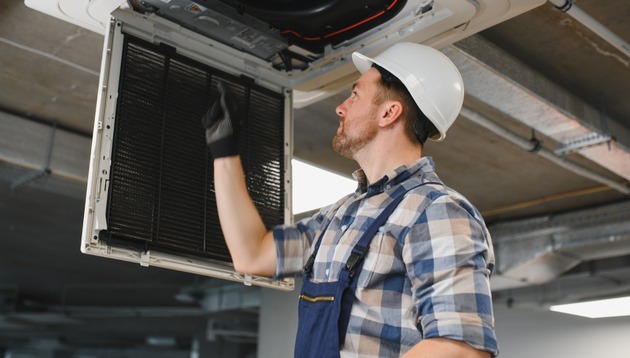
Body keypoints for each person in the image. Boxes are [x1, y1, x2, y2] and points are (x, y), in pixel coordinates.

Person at [202, 42, 498, 357]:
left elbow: (461, 348)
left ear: (389, 113)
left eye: (355, 94)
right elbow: (252, 255)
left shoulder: (436, 211)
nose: (341, 107)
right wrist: (224, 151)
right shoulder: (340, 216)